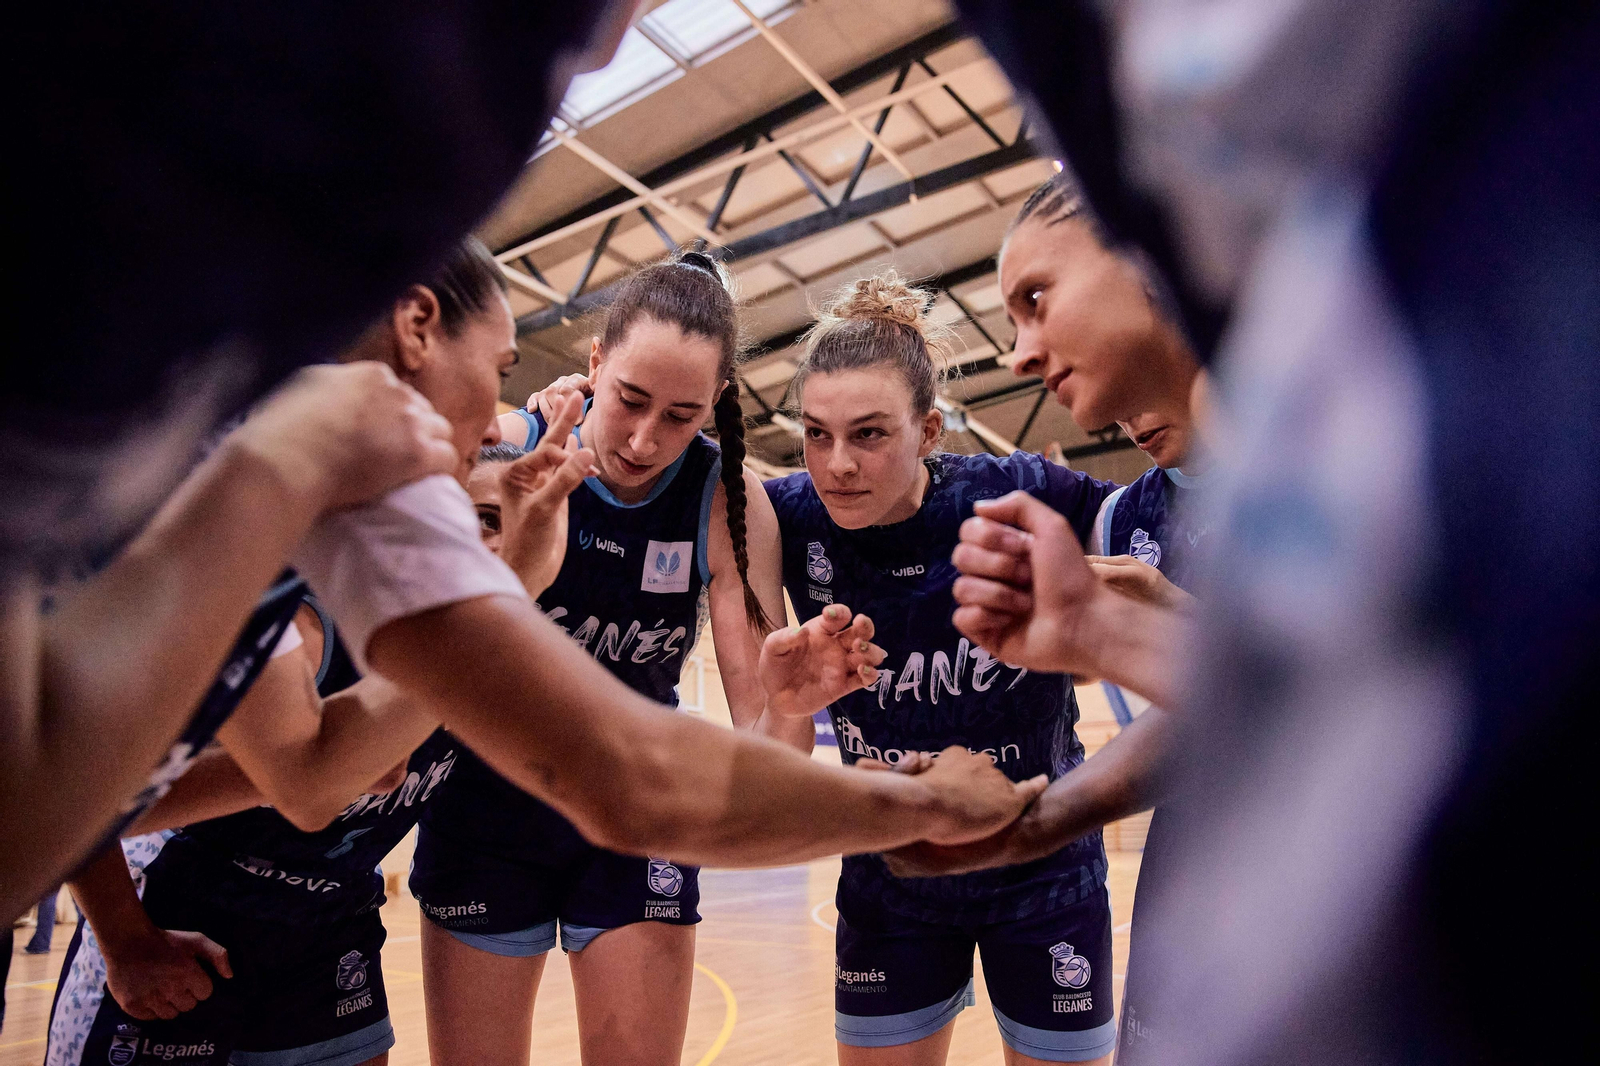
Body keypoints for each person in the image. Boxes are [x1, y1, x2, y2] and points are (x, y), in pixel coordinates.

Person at [410, 252, 883, 1066]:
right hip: (484, 813)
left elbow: (765, 749)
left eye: (680, 415)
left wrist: (792, 707)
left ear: (717, 405)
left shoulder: (725, 501)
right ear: (594, 363)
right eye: (630, 399)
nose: (644, 437)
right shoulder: (506, 458)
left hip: (637, 816)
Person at [41, 441, 570, 1066]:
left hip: (326, 932)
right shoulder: (310, 629)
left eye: (515, 528)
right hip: (184, 917)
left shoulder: (498, 668)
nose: (494, 545)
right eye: (480, 516)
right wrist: (126, 942)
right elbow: (88, 791)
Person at [762, 271, 1122, 1066]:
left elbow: (1161, 518)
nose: (838, 464)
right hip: (892, 879)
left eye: (869, 434)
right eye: (816, 434)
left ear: (928, 432)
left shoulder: (1015, 495)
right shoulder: (785, 516)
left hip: (1045, 874)